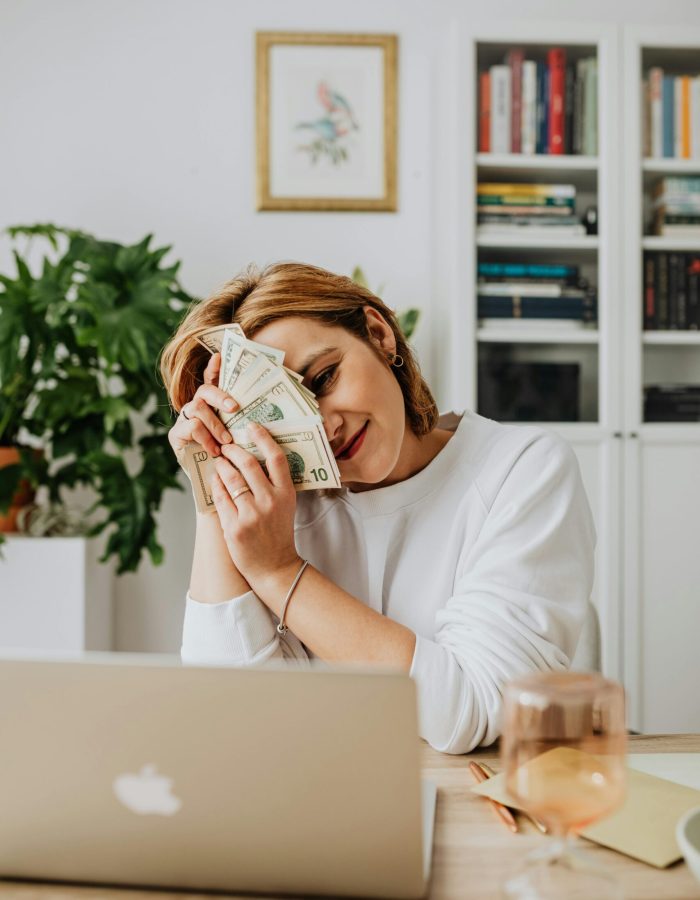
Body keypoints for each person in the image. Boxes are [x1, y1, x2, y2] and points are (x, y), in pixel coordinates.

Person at [160, 262, 595, 754]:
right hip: (323, 807)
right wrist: (214, 490)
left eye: (323, 378)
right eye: (284, 411)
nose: (323, 426)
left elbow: (468, 708)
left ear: (379, 334)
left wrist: (280, 572)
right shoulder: (272, 514)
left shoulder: (522, 469)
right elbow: (231, 723)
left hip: (477, 804)